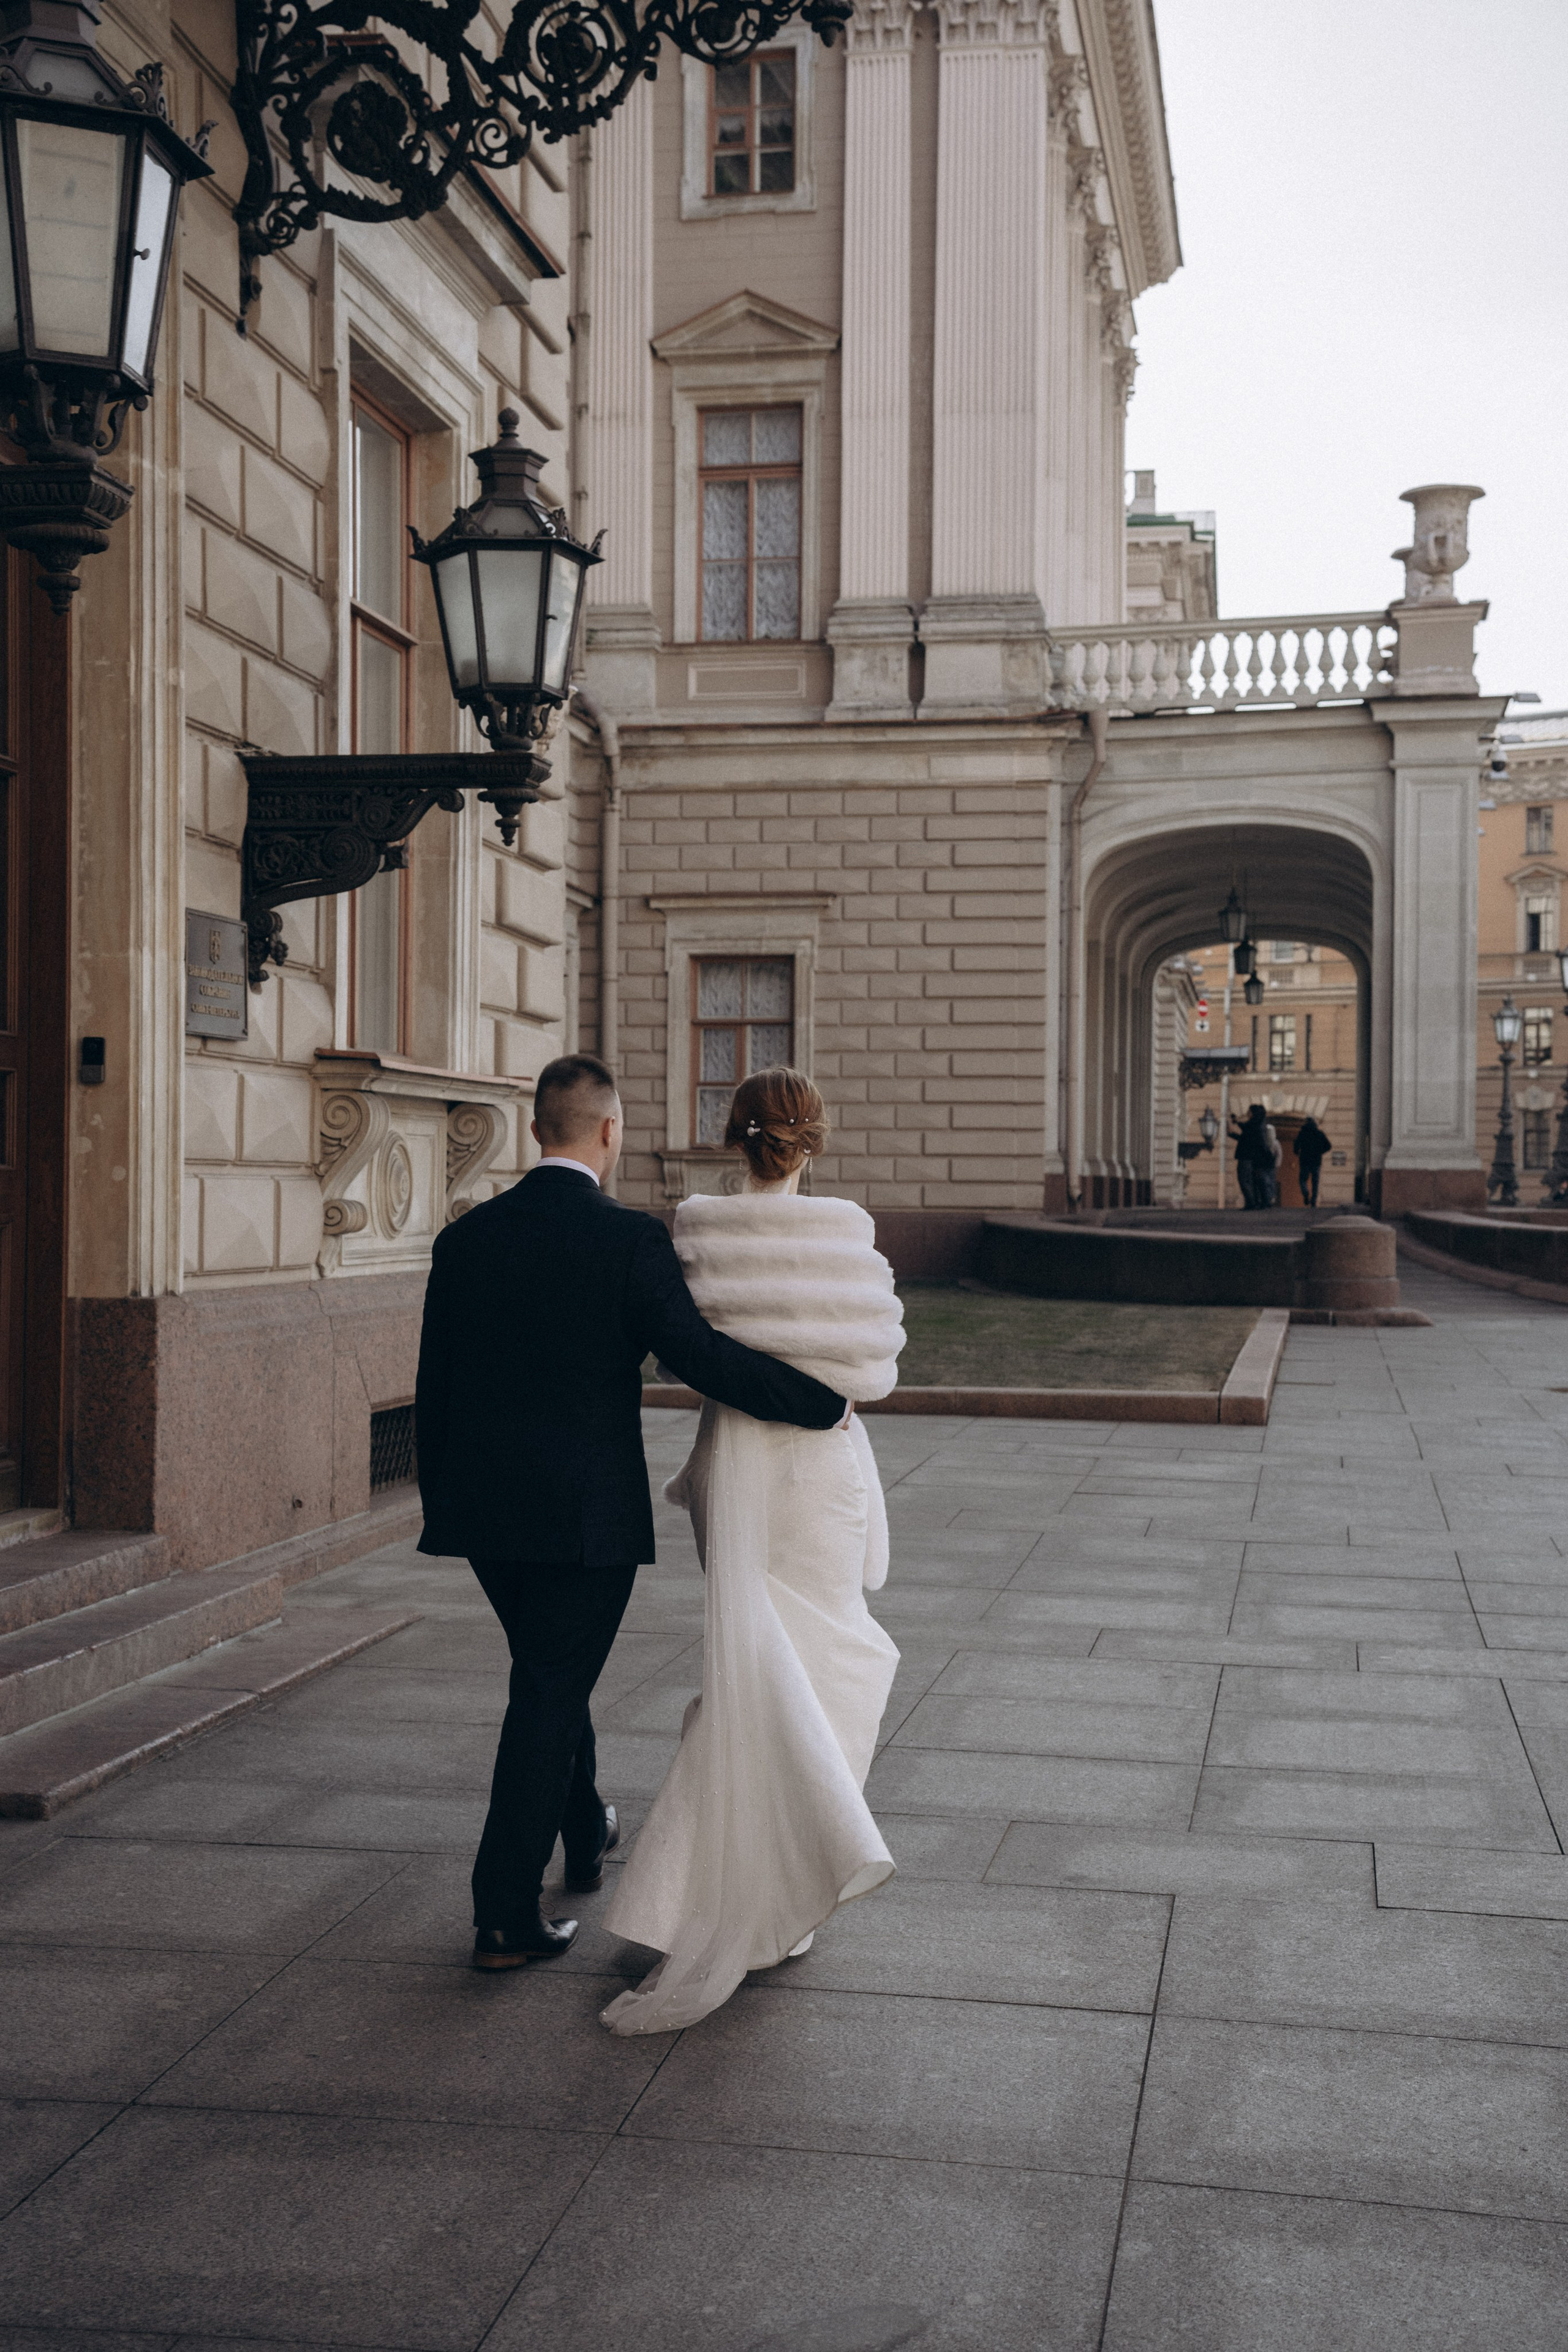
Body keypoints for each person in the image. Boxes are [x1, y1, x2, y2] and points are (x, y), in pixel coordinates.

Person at [414, 1053, 851, 1973]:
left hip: (485, 1516)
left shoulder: (465, 1239)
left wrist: (444, 1501)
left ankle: (586, 1827)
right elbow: (699, 1356)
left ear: (538, 1130)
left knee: (546, 1674)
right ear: (608, 1132)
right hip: (584, 1521)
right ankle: (503, 1914)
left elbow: (435, 1389)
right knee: (547, 1691)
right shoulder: (628, 1242)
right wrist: (819, 1400)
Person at [600, 1067, 905, 2035]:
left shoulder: (697, 1229)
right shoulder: (845, 1234)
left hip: (735, 1460)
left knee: (752, 1664)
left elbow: (689, 1348)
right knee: (833, 1657)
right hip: (818, 1466)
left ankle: (698, 1898)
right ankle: (783, 1886)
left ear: (735, 1137)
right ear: (813, 1141)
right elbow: (873, 1371)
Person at [1229, 1103, 1271, 1210]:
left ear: (1253, 1113)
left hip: (1247, 1156)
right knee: (1252, 1181)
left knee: (1244, 1180)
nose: (1248, 1113)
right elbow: (1245, 1136)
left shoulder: (1254, 1125)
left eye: (1249, 1111)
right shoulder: (1258, 1124)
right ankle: (1254, 1202)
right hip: (1251, 1157)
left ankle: (1251, 1203)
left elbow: (1245, 1134)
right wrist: (1233, 1130)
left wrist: (1236, 1124)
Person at [1294, 1116, 1332, 1205]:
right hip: (1316, 1161)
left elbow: (1296, 1146)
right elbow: (1328, 1146)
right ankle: (1314, 1201)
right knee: (1315, 1183)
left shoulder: (1302, 1133)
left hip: (1305, 1161)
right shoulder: (1319, 1133)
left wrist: (1297, 1152)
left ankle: (1306, 1192)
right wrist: (1320, 1152)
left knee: (1303, 1180)